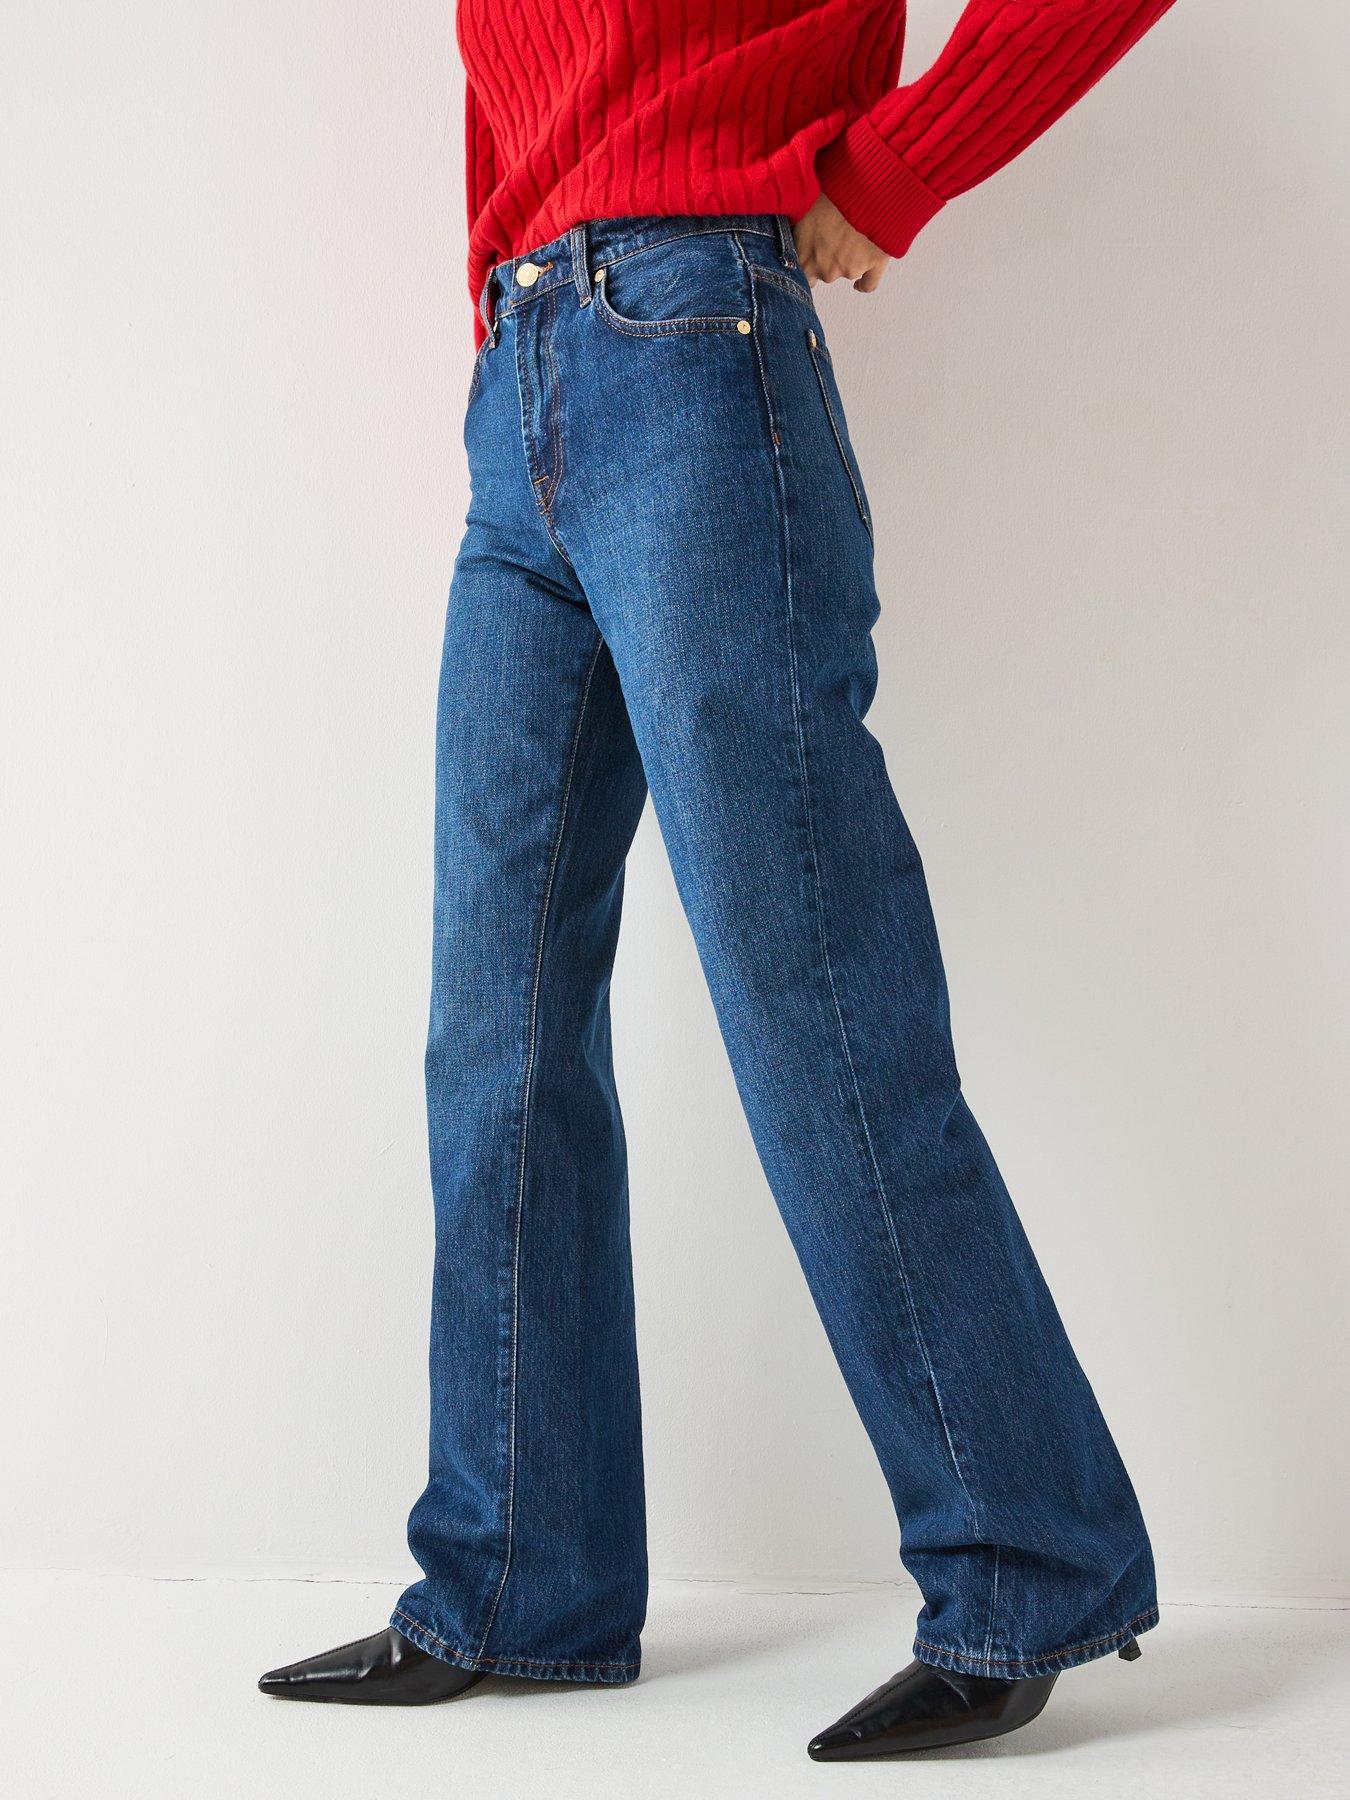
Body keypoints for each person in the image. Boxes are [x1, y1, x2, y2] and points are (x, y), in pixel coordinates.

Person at [259, 0, 1176, 1758]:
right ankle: (515, 1582)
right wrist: (498, 314)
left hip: (690, 340)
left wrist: (895, 167)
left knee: (812, 996)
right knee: (494, 1024)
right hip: (522, 379)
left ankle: (1028, 1566)